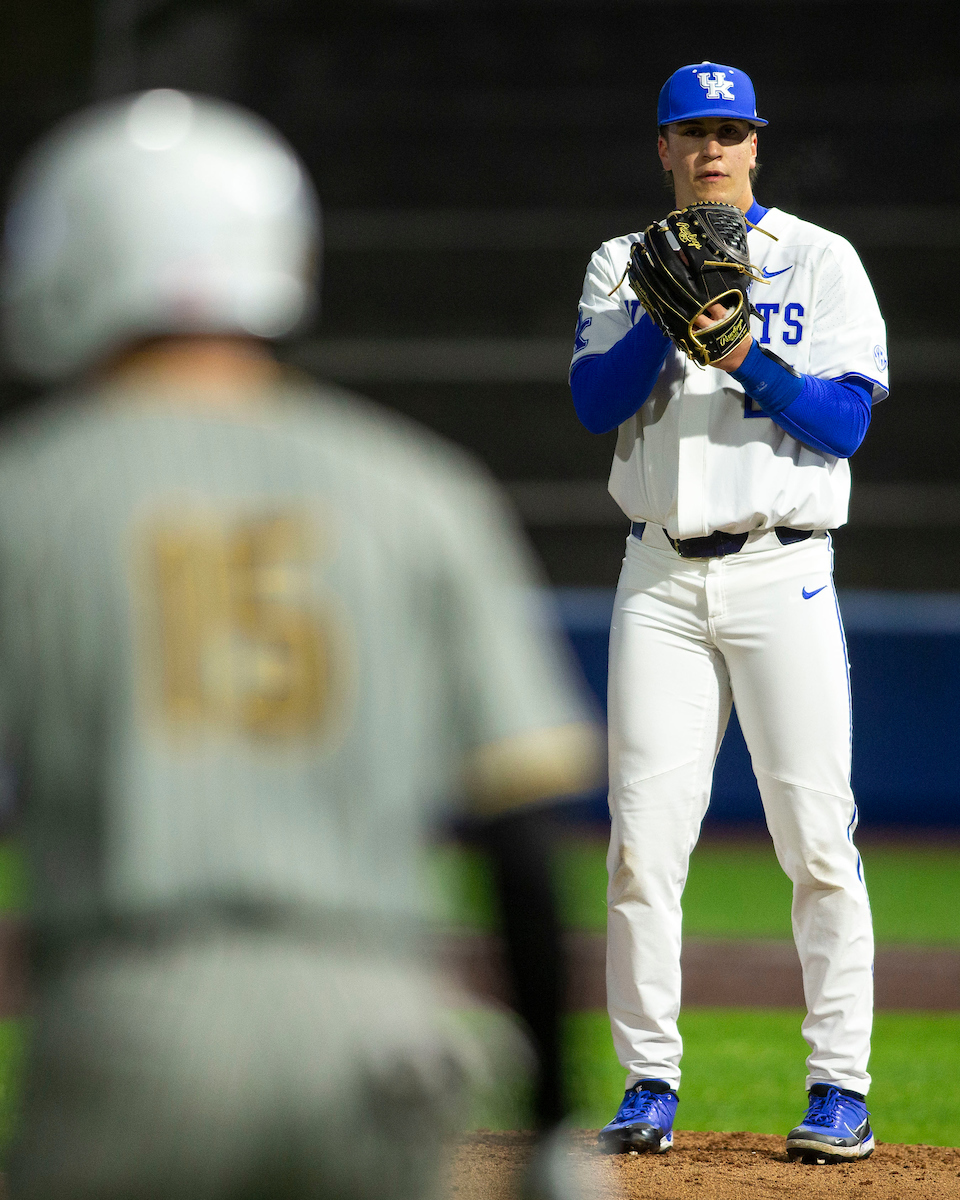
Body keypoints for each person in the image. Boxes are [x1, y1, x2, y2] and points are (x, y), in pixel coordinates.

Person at [0, 89, 601, 1199]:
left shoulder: (29, 497)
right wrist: (556, 1127)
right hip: (381, 1033)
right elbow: (520, 836)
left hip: (131, 1019)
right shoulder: (420, 490)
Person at [569, 62, 887, 1164]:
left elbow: (845, 424)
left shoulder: (821, 258)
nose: (712, 148)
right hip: (658, 578)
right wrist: (662, 323)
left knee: (817, 839)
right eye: (693, 131)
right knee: (642, 845)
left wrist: (742, 350)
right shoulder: (622, 262)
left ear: (757, 143)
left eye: (730, 130)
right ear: (663, 148)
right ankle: (648, 1082)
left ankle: (839, 1087)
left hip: (781, 570)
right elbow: (593, 402)